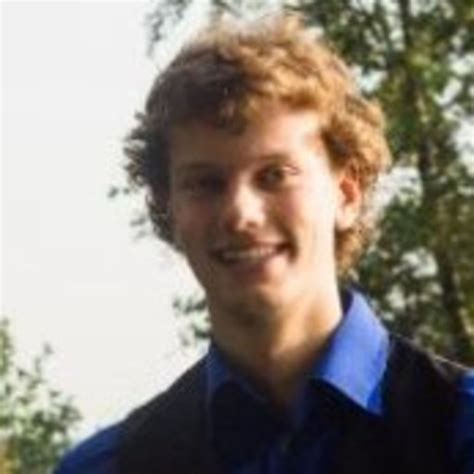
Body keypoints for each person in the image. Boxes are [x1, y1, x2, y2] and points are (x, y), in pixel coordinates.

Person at [55, 13, 473, 474]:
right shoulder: (107, 468)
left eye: (275, 175)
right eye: (205, 182)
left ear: (346, 194)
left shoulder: (461, 430)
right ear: (169, 208)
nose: (241, 213)